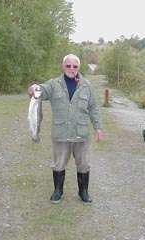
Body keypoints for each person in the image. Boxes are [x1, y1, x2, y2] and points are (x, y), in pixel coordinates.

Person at [28, 54, 103, 204]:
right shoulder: (53, 84)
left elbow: (93, 107)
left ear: (79, 67)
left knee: (84, 164)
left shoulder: (86, 85)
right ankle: (58, 191)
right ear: (63, 66)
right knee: (58, 164)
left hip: (81, 135)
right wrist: (34, 88)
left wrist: (98, 128)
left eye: (75, 66)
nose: (71, 69)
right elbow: (40, 91)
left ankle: (83, 192)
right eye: (68, 65)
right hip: (60, 135)